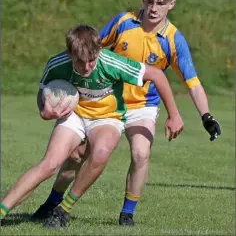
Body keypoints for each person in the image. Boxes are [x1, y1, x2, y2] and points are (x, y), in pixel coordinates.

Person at [30, 0, 221, 226]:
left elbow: (192, 82)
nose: (154, 8)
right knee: (77, 156)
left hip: (142, 107)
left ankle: (126, 214)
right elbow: (89, 48)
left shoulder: (174, 40)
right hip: (106, 102)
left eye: (161, 2)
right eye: (150, 1)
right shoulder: (123, 22)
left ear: (171, 4)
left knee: (141, 152)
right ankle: (52, 203)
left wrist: (206, 116)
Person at [0, 24, 184, 227]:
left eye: (91, 60)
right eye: (80, 62)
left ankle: (62, 211)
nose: (87, 67)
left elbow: (157, 75)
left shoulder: (111, 62)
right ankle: (2, 211)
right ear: (70, 54)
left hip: (107, 117)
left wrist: (173, 115)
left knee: (101, 152)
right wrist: (44, 111)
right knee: (49, 164)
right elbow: (43, 92)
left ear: (98, 52)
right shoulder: (56, 64)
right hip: (75, 114)